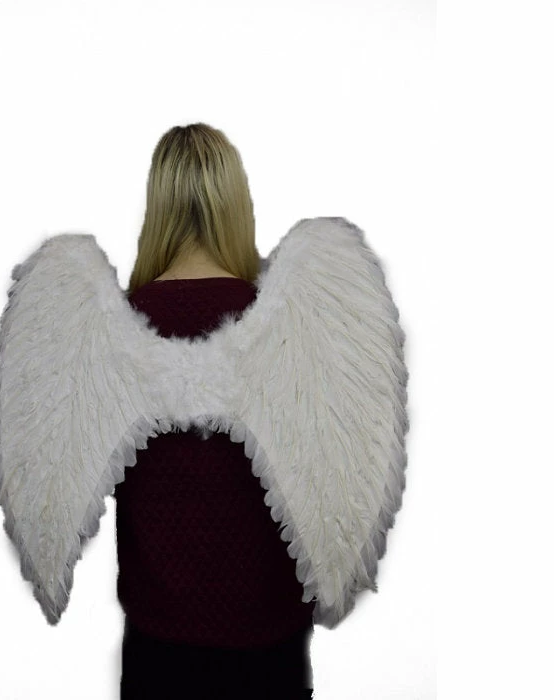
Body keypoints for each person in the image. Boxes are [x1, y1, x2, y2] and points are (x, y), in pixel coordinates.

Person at [116, 123, 315, 699]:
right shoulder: (281, 323)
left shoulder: (115, 325)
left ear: (157, 206)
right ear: (235, 204)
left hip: (158, 648)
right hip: (270, 648)